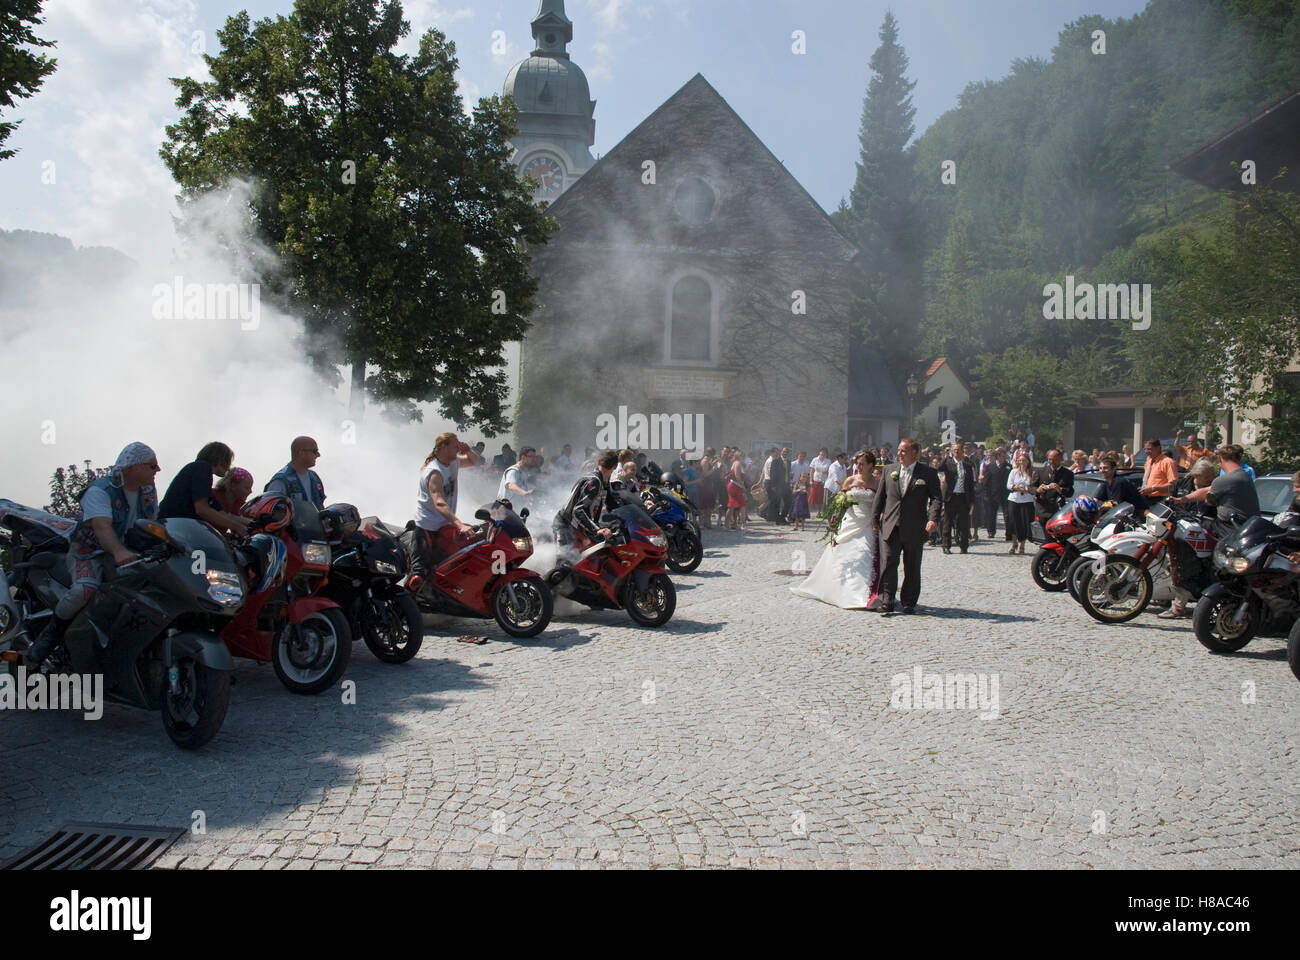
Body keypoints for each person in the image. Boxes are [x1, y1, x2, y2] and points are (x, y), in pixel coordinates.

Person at [28, 442, 162, 664]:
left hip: (130, 552)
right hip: (90, 552)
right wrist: (118, 552)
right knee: (85, 589)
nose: (157, 470)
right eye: (152, 466)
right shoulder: (101, 490)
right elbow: (102, 527)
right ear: (134, 467)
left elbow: (152, 522)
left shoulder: (148, 490)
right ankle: (50, 636)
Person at [792, 452, 883, 609]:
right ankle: (845, 590)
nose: (858, 467)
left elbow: (881, 503)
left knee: (865, 554)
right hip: (850, 522)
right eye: (857, 463)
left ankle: (865, 592)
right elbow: (840, 502)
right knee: (845, 556)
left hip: (868, 524)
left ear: (870, 465)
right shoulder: (850, 480)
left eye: (862, 463)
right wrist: (835, 520)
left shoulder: (877, 483)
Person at [868, 438, 941, 614]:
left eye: (904, 450)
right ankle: (887, 600)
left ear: (915, 453)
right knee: (889, 564)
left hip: (915, 527)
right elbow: (880, 497)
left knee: (912, 565)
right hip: (891, 525)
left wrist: (933, 519)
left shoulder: (928, 473)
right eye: (899, 450)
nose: (900, 453)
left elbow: (936, 498)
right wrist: (875, 519)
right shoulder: (889, 470)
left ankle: (909, 601)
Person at [409, 432, 481, 576]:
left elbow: (474, 461)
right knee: (419, 573)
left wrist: (468, 450)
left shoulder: (453, 462)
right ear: (443, 447)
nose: (458, 448)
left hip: (444, 526)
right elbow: (439, 503)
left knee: (445, 568)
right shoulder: (434, 472)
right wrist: (460, 525)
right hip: (427, 528)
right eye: (455, 445)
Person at [159, 441, 249, 537]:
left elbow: (223, 514)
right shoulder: (203, 467)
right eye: (228, 462)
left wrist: (251, 523)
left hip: (172, 527)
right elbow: (202, 509)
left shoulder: (198, 470)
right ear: (220, 460)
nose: (229, 468)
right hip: (174, 530)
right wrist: (237, 527)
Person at [1170, 444, 1260, 522]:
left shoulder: (1225, 480)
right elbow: (1206, 490)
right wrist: (1180, 500)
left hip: (1231, 527)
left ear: (1220, 459)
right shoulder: (1244, 476)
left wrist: (1180, 500)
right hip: (1246, 525)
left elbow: (1207, 498)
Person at [553, 450, 617, 548]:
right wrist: (596, 530)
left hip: (581, 525)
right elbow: (578, 510)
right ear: (615, 467)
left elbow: (611, 502)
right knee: (565, 559)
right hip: (565, 524)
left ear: (599, 461)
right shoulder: (594, 481)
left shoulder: (604, 480)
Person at [265, 436, 326, 509]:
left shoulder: (314, 477)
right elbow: (271, 511)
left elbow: (320, 507)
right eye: (314, 451)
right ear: (301, 453)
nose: (318, 455)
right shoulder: (281, 481)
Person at [939, 440, 976, 554]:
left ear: (962, 451)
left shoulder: (968, 466)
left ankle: (964, 546)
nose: (956, 452)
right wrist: (945, 456)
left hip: (963, 497)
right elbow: (938, 468)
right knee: (947, 522)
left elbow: (970, 484)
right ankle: (946, 545)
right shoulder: (948, 463)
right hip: (951, 497)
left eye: (958, 450)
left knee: (964, 523)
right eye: (954, 450)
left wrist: (972, 501)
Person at [1033, 449, 1075, 539]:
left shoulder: (1068, 473)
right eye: (1050, 459)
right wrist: (1038, 490)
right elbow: (1031, 487)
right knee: (1046, 538)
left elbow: (1070, 492)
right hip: (1043, 509)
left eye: (1054, 460)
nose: (1052, 462)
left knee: (1057, 538)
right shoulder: (1041, 471)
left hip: (1058, 511)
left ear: (1061, 459)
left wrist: (1060, 489)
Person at [1006, 451, 1036, 554]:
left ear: (1028, 462)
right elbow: (1008, 485)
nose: (1022, 462)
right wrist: (1016, 487)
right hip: (1014, 499)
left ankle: (1022, 545)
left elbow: (1033, 486)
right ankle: (1014, 543)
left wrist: (1026, 489)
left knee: (1024, 523)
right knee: (1014, 522)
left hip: (1027, 500)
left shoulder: (1032, 472)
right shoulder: (1014, 472)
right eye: (1020, 460)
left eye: (1024, 460)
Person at [1138, 438, 1178, 505]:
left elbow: (1172, 486)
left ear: (1158, 448)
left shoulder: (1168, 462)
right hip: (1146, 499)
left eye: (1149, 449)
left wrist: (1153, 488)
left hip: (1161, 500)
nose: (1146, 451)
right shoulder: (1148, 462)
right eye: (1145, 449)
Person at [725, 450, 748, 530]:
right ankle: (743, 525)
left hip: (734, 485)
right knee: (742, 505)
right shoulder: (737, 463)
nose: (744, 458)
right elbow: (737, 476)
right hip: (735, 486)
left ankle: (727, 525)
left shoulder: (736, 463)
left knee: (732, 506)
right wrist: (743, 486)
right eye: (743, 456)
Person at [809, 448, 832, 512]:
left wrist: (826, 472)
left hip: (823, 481)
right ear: (819, 452)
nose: (823, 454)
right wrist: (810, 480)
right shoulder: (815, 460)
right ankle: (809, 511)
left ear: (826, 454)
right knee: (812, 496)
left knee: (821, 497)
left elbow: (830, 471)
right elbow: (811, 470)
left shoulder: (828, 461)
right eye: (822, 452)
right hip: (815, 480)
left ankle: (820, 511)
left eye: (824, 453)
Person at [791, 466, 810, 531]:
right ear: (800, 477)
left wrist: (806, 492)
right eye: (803, 477)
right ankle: (796, 526)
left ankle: (803, 527)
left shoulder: (807, 485)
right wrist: (798, 490)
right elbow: (793, 491)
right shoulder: (797, 484)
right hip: (798, 500)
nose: (804, 478)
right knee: (797, 514)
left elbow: (808, 493)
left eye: (805, 477)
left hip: (804, 501)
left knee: (803, 515)